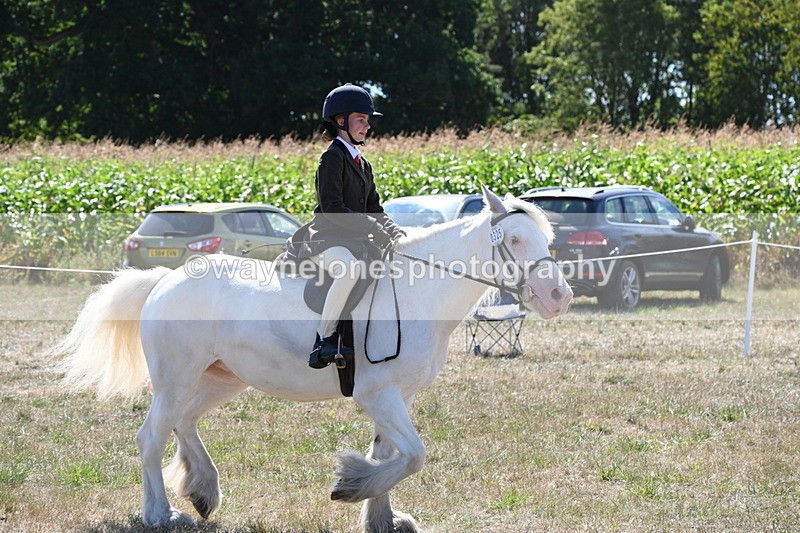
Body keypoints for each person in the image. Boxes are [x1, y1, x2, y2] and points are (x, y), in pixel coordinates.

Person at [286, 83, 405, 369]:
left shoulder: (362, 163)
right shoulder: (332, 158)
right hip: (326, 239)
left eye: (368, 121)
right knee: (349, 269)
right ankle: (322, 340)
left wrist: (393, 230)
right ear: (341, 121)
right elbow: (332, 208)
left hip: (353, 239)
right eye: (361, 120)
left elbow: (375, 207)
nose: (367, 126)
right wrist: (371, 228)